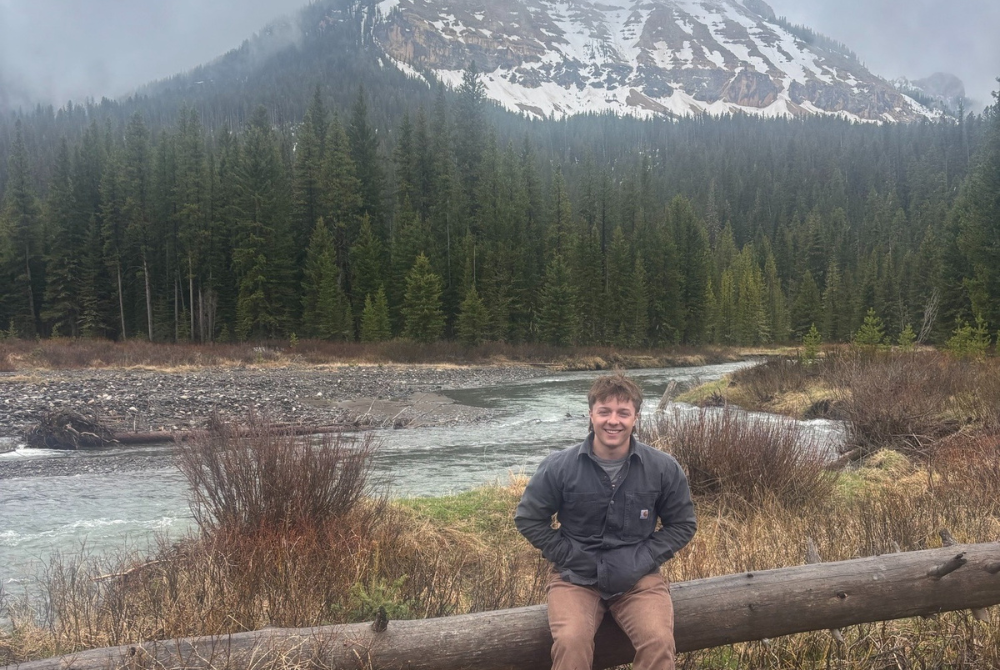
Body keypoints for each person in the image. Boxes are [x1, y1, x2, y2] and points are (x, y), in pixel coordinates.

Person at [515, 373, 696, 670]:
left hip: (639, 580)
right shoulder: (559, 466)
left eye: (623, 413)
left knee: (659, 642)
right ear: (591, 414)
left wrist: (644, 558)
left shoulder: (663, 467)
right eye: (605, 412)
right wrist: (568, 555)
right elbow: (529, 519)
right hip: (575, 579)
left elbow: (683, 524)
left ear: (636, 417)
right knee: (571, 642)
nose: (614, 421)